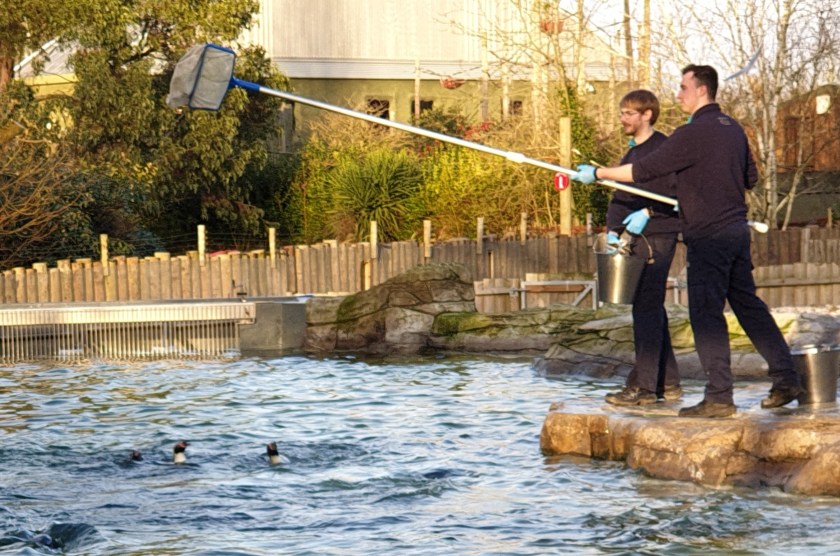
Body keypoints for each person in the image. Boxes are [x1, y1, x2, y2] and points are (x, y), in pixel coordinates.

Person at [571, 65, 802, 418]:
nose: (678, 94)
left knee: (706, 314)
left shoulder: (692, 133)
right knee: (748, 306)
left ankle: (719, 398)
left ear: (702, 90)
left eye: (683, 87)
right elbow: (751, 178)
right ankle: (787, 379)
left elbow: (644, 170)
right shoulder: (734, 129)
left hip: (708, 235)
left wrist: (598, 174)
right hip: (736, 232)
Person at [601, 90, 682, 406]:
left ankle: (645, 389)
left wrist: (648, 212)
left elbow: (676, 195)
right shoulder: (633, 153)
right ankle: (669, 382)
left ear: (647, 114)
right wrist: (612, 229)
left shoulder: (663, 149)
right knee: (651, 309)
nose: (623, 118)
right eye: (621, 112)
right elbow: (621, 195)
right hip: (637, 237)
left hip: (658, 236)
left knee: (646, 309)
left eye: (629, 113)